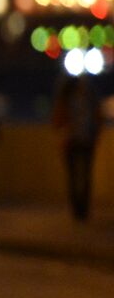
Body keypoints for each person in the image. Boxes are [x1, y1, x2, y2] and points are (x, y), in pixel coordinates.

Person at [52, 76, 103, 220]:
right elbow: (98, 118)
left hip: (78, 141)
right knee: (81, 176)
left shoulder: (72, 98)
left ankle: (80, 210)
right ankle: (80, 210)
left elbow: (57, 120)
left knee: (78, 176)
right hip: (79, 140)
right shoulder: (88, 97)